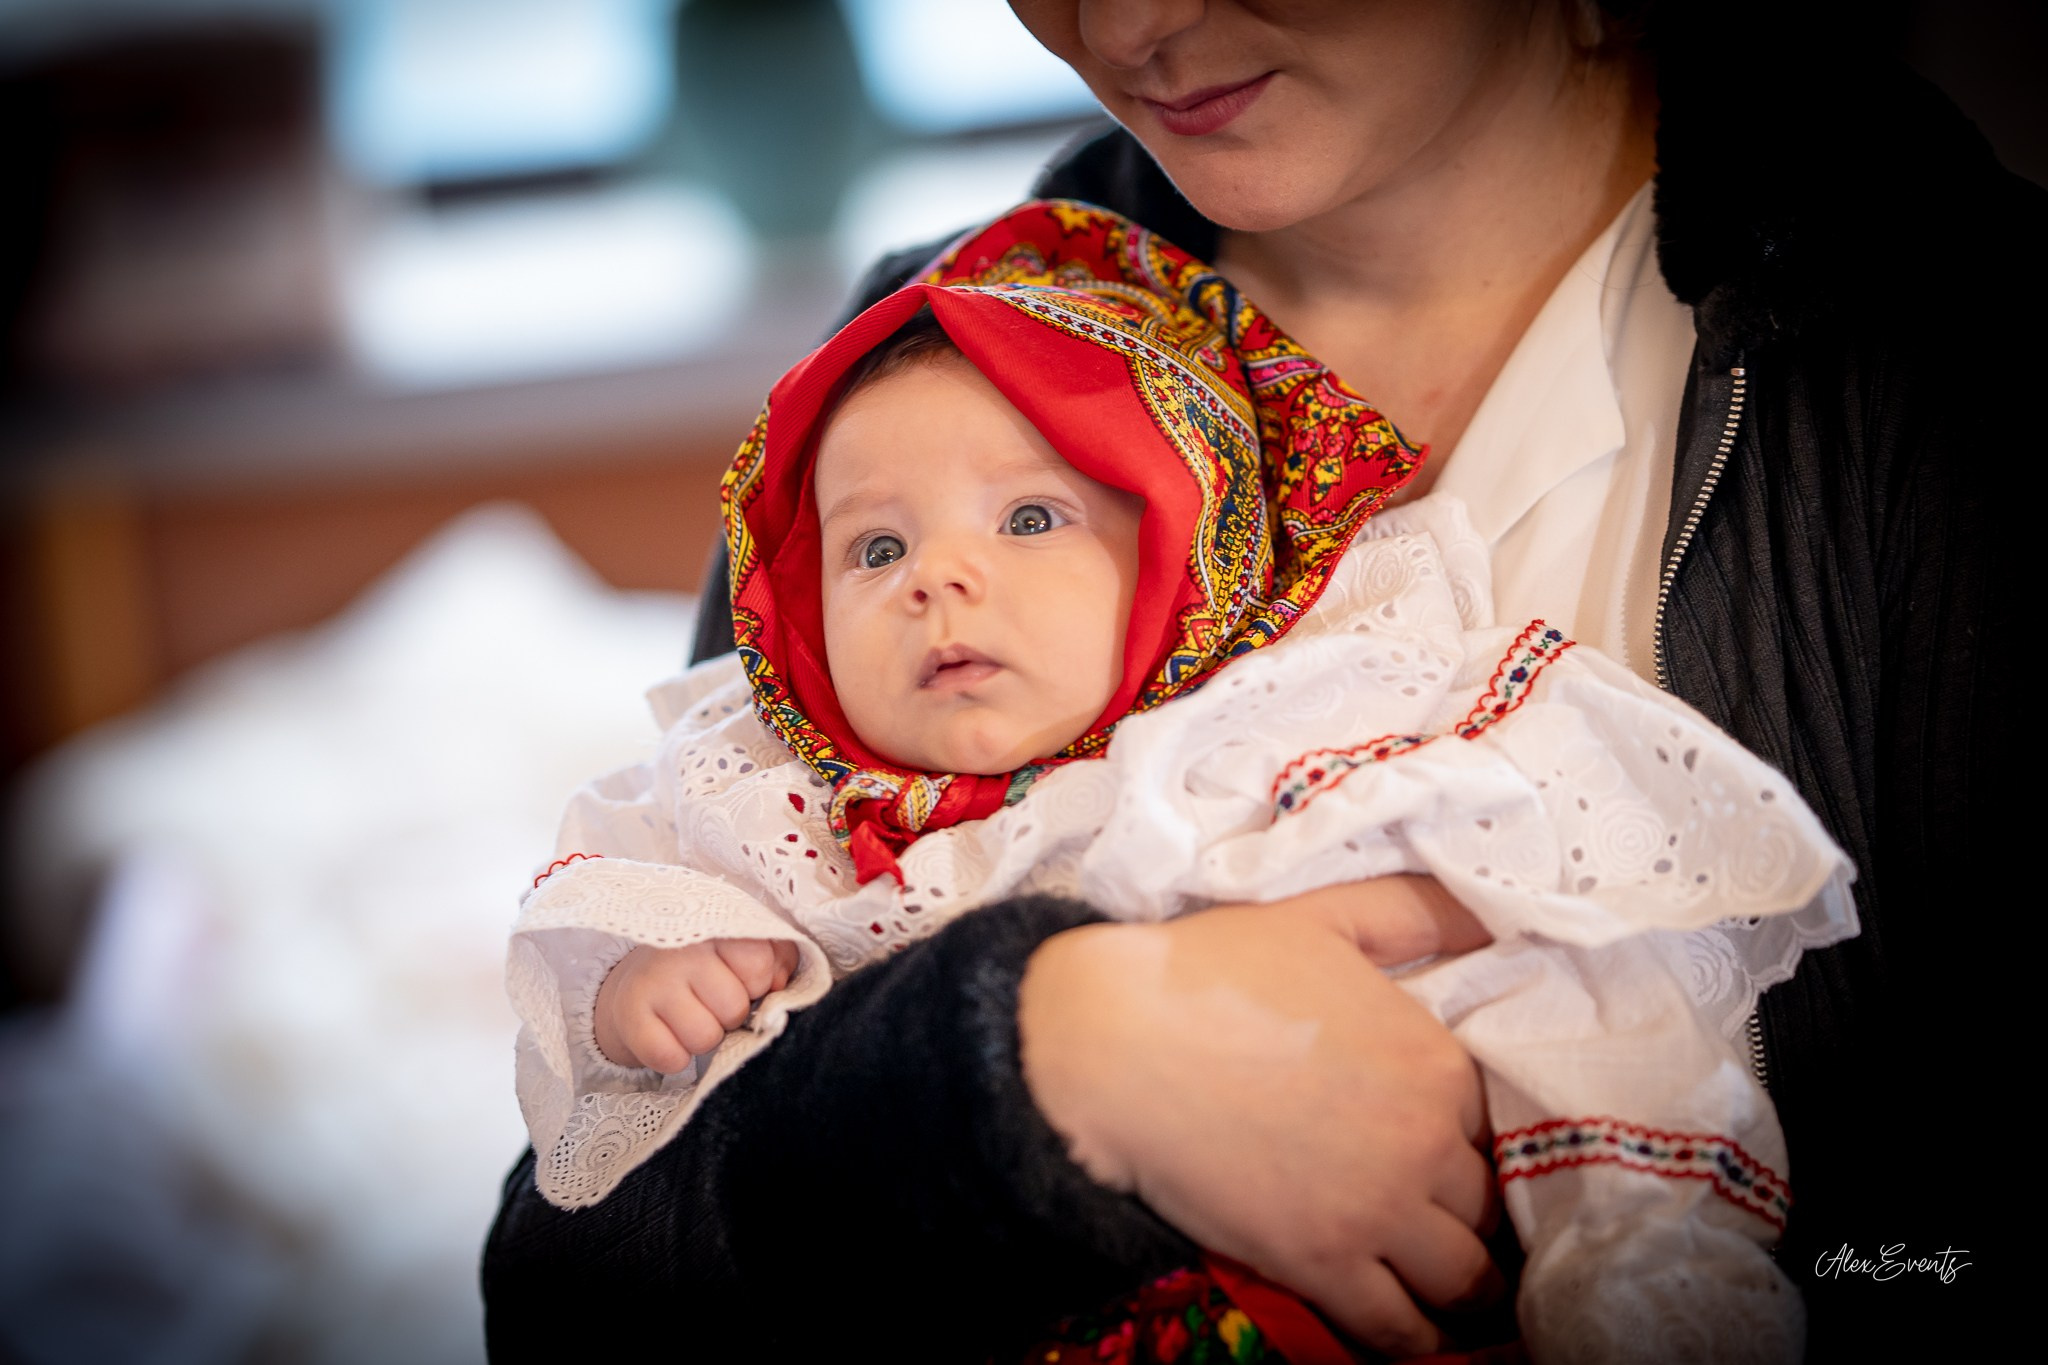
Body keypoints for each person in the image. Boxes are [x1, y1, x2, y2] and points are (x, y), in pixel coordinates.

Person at [487, 3, 2029, 1358]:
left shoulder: (1952, 366)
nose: (1128, 19)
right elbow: (574, 1289)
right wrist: (1033, 1059)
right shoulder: (914, 377)